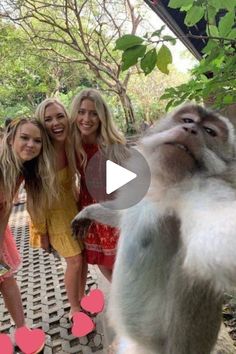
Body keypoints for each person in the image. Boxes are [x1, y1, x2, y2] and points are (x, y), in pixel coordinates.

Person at [29, 98, 86, 320]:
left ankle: (81, 298)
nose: (55, 123)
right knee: (74, 261)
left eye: (60, 116)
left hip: (75, 210)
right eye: (48, 119)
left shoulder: (71, 143)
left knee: (83, 259)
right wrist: (41, 232)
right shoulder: (40, 155)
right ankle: (74, 308)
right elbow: (34, 199)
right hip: (55, 219)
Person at [0, 117, 55, 348]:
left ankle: (22, 330)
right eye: (24, 137)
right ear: (11, 138)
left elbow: (6, 207)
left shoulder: (21, 169)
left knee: (6, 279)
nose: (31, 144)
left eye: (37, 141)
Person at [70, 88, 128, 281]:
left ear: (102, 116)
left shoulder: (112, 143)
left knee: (123, 264)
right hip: (88, 208)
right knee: (103, 262)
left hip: (113, 208)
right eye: (82, 112)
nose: (86, 118)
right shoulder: (71, 143)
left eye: (94, 113)